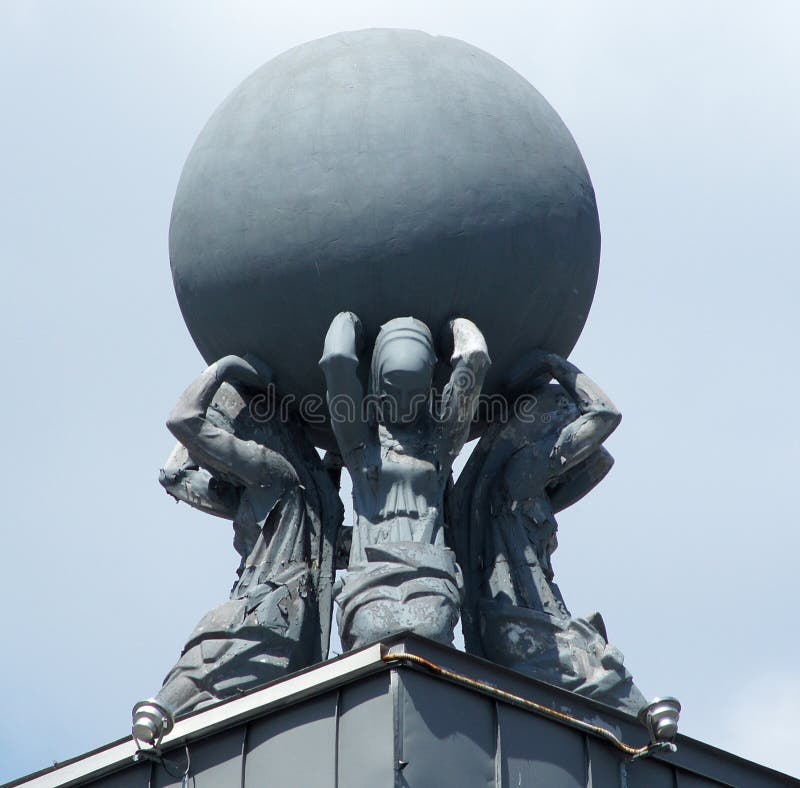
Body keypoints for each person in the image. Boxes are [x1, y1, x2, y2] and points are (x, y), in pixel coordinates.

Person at [132, 354, 342, 745]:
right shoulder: (298, 492)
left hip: (253, 623)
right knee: (209, 731)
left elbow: (182, 427)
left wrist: (223, 368)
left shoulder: (271, 472)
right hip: (285, 630)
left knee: (167, 725)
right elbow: (175, 474)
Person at [450, 351, 646, 714]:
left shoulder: (526, 491)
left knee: (626, 710)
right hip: (524, 625)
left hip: (536, 619)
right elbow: (605, 415)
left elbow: (599, 462)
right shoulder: (521, 474)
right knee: (624, 705)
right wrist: (553, 365)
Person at [319, 312, 490, 649]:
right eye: (391, 390)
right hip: (369, 578)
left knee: (430, 637)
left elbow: (475, 359)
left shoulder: (440, 447)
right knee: (370, 641)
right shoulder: (359, 448)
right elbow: (337, 363)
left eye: (414, 393)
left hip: (431, 576)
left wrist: (454, 327)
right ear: (376, 384)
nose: (402, 402)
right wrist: (349, 319)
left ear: (429, 390)